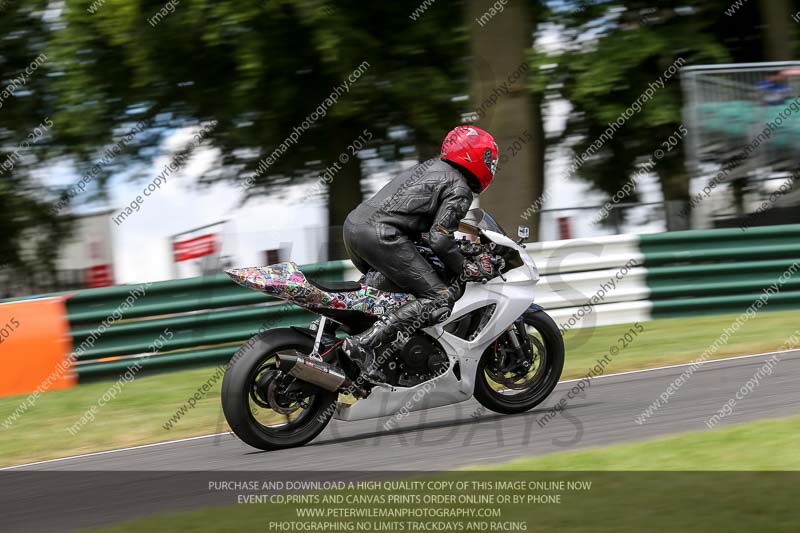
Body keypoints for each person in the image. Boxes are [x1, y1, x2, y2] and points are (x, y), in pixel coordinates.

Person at [341, 125, 499, 383]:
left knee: (381, 295)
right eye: (488, 159)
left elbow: (420, 223)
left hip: (354, 229)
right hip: (383, 235)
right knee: (439, 297)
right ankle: (365, 344)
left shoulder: (432, 167)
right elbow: (439, 237)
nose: (491, 165)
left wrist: (455, 250)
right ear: (474, 156)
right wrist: (466, 268)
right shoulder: (460, 188)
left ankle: (339, 336)